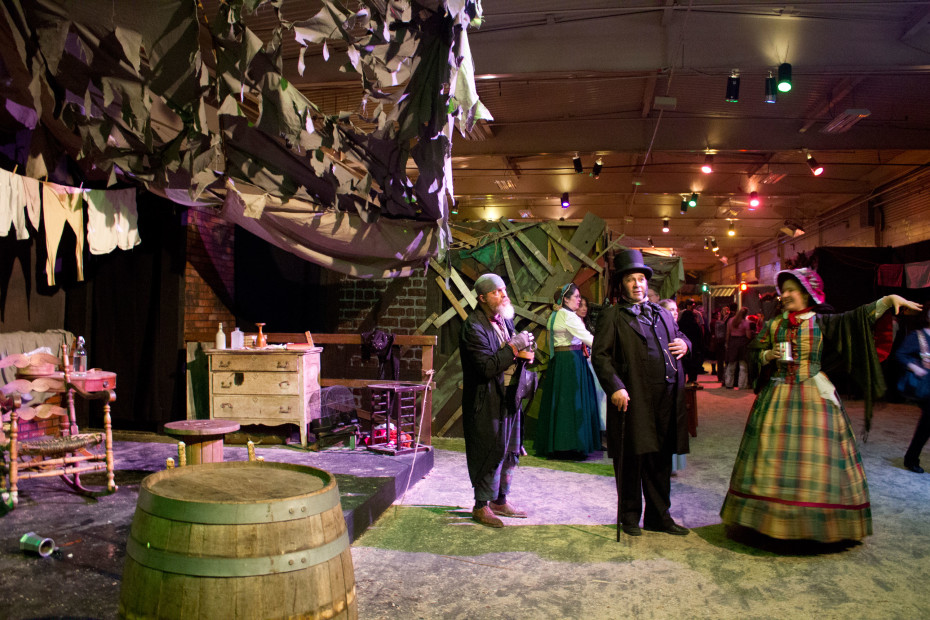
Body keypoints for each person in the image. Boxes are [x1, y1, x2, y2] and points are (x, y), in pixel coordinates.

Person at [720, 267, 921, 543]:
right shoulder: (774, 324)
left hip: (814, 393)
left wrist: (887, 301)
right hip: (777, 394)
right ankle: (768, 520)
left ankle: (816, 522)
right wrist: (767, 354)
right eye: (784, 290)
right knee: (771, 456)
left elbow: (858, 319)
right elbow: (754, 352)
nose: (786, 295)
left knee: (816, 458)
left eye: (792, 290)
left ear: (806, 293)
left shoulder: (823, 323)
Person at [592, 250, 691, 537]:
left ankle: (660, 517)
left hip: (666, 398)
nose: (637, 284)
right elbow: (601, 357)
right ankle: (630, 517)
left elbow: (679, 335)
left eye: (641, 279)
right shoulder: (612, 316)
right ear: (621, 285)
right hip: (633, 398)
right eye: (630, 279)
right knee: (631, 459)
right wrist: (615, 386)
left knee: (660, 460)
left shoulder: (661, 312)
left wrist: (685, 345)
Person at [460, 273, 537, 528]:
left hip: (509, 396)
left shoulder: (504, 321)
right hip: (486, 401)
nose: (504, 295)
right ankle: (481, 505)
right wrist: (514, 347)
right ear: (482, 298)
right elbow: (486, 367)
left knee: (510, 450)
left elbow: (513, 354)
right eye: (497, 292)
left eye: (504, 290)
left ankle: (500, 500)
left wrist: (526, 353)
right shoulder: (474, 327)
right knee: (489, 450)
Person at [535, 284, 601, 458]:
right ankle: (571, 445)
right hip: (571, 361)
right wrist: (609, 345)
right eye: (577, 296)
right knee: (571, 402)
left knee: (562, 401)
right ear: (566, 298)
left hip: (561, 361)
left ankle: (561, 444)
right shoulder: (568, 316)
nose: (579, 300)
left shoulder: (556, 314)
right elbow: (588, 338)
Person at [895, 308, 930, 474]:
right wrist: (915, 368)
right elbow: (900, 354)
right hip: (926, 387)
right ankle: (911, 459)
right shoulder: (918, 336)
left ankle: (911, 458)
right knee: (926, 426)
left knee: (926, 426)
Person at [576, 294, 608, 433]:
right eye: (580, 305)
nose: (584, 309)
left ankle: (602, 427)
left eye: (585, 306)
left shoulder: (587, 322)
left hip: (592, 361)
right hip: (582, 363)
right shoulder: (572, 322)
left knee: (600, 394)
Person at [678, 300, 705, 389]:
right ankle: (692, 379)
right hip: (694, 347)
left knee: (684, 363)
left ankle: (682, 380)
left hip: (684, 346)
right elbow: (700, 334)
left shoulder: (681, 323)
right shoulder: (695, 325)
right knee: (693, 364)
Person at [724, 307, 752, 389]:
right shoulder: (746, 323)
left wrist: (727, 343)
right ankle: (742, 385)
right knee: (743, 365)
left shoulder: (730, 321)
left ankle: (729, 383)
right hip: (742, 343)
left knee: (731, 364)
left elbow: (728, 333)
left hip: (733, 342)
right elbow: (748, 336)